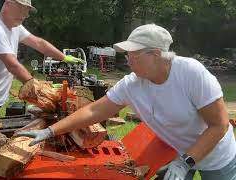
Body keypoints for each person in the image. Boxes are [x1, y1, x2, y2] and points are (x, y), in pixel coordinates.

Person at [14, 24, 236, 180]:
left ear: (156, 54)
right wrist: (50, 131)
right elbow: (94, 111)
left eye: (134, 55)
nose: (128, 61)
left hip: (217, 157)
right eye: (127, 55)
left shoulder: (191, 74)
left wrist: (185, 162)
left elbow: (219, 125)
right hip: (176, 149)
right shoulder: (132, 84)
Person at [0, 0, 84, 121]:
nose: (26, 15)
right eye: (22, 9)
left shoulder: (15, 27)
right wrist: (41, 90)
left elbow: (39, 43)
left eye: (27, 11)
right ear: (8, 4)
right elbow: (13, 65)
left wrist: (64, 57)